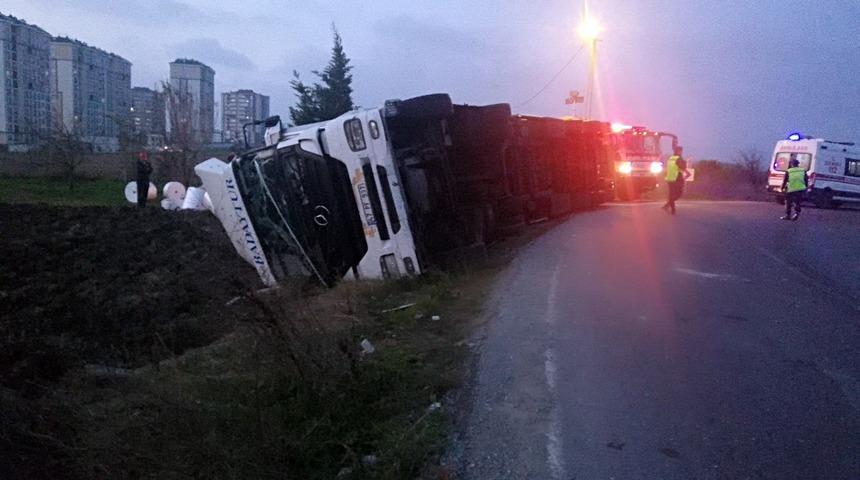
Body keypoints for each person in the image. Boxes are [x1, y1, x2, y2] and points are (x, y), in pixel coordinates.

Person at [662, 146, 691, 214]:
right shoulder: (679, 158)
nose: (681, 152)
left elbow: (670, 167)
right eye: (681, 151)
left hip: (670, 178)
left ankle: (670, 207)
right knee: (679, 194)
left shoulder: (671, 158)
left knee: (671, 194)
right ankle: (670, 207)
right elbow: (682, 167)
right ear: (679, 151)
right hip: (677, 178)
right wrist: (687, 173)